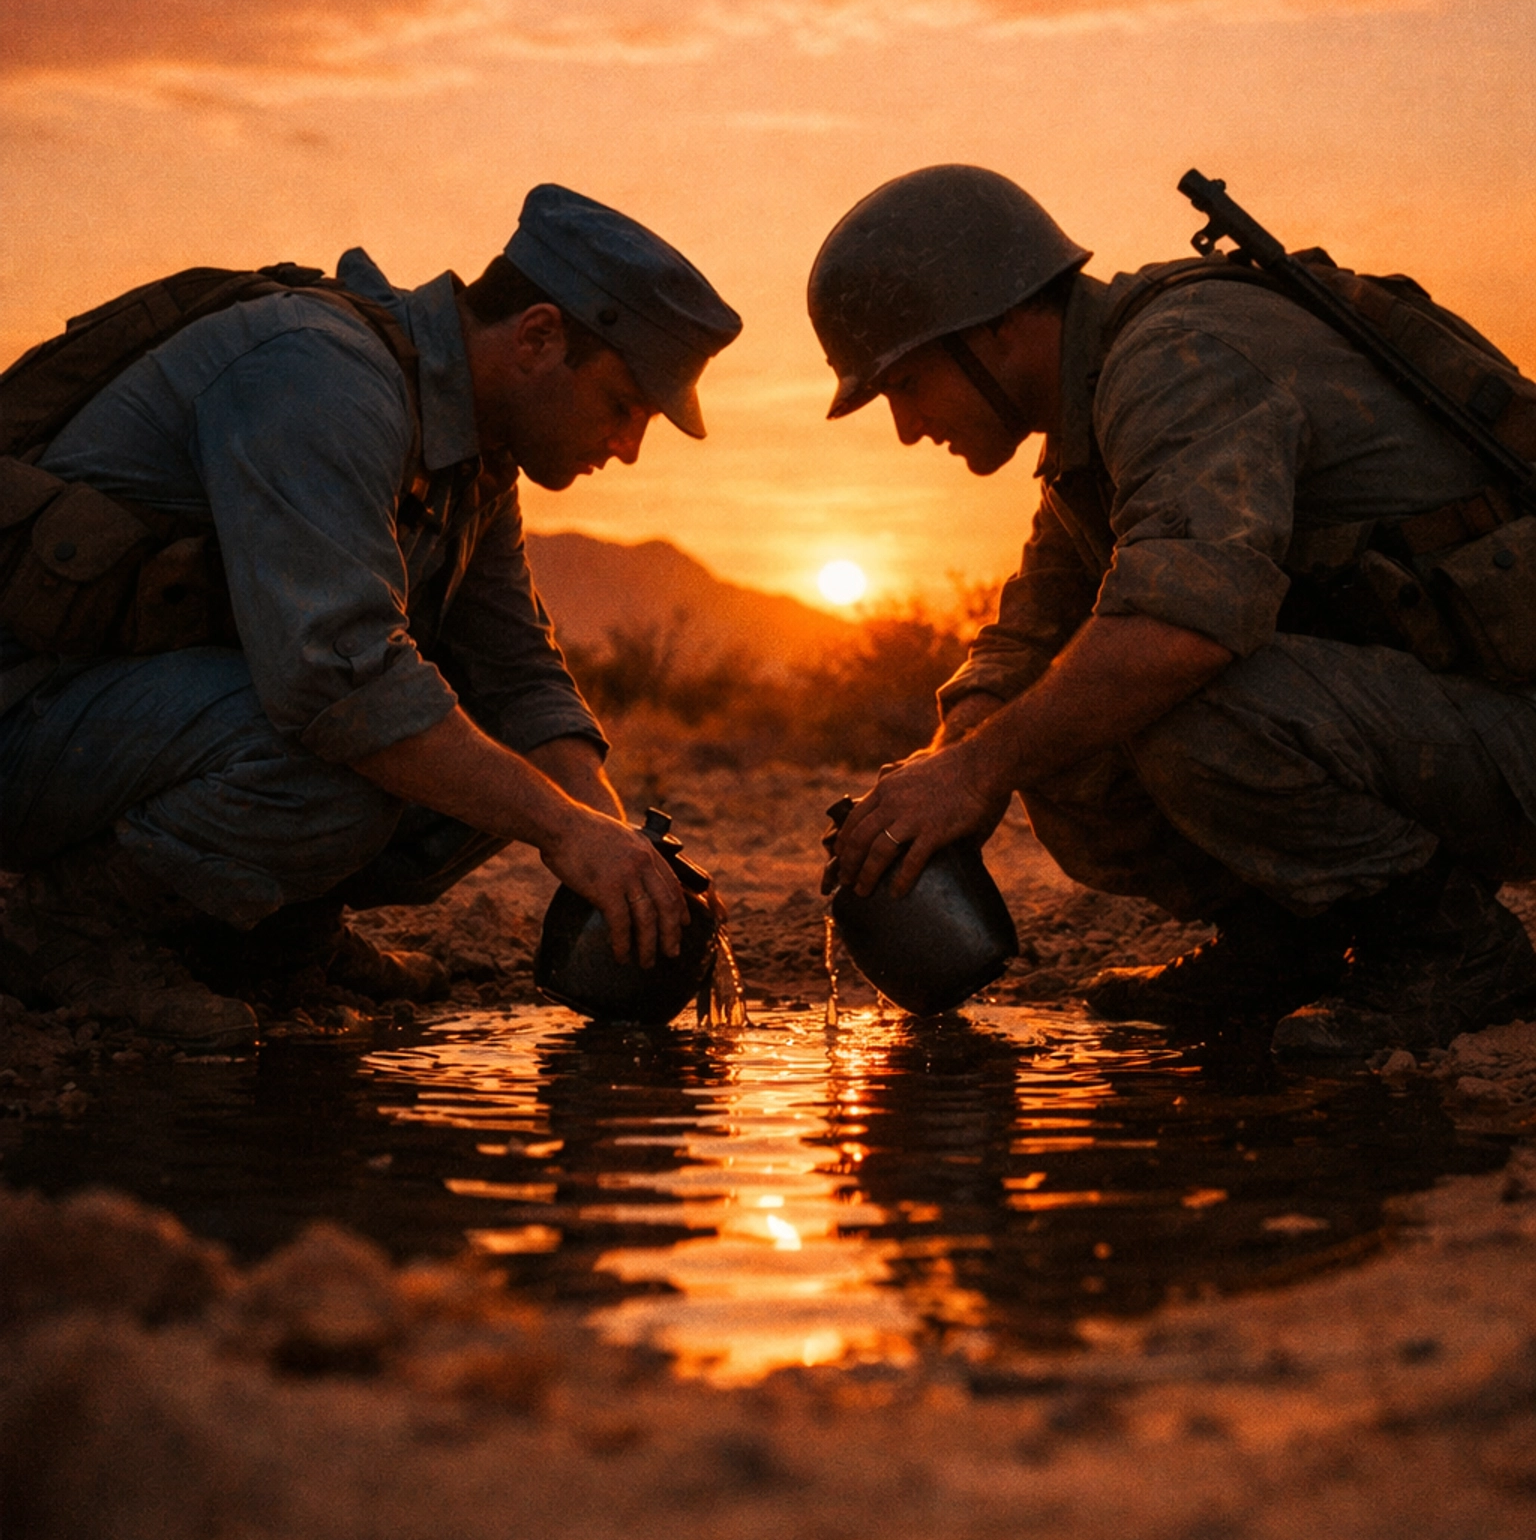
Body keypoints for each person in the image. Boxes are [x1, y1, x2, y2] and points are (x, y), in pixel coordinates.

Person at [810, 163, 1536, 1056]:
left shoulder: (1178, 361)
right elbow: (1029, 635)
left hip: (1513, 723)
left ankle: (1451, 947)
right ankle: (1291, 945)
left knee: (1178, 700)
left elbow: (1180, 634)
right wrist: (941, 767)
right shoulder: (1100, 412)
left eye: (908, 385)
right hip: (1445, 719)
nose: (908, 429)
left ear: (995, 327)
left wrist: (974, 773)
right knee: (1051, 728)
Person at [0, 186, 741, 1048]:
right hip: (28, 713)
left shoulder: (477, 461)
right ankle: (66, 932)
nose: (628, 447)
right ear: (539, 337)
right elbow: (336, 678)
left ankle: (277, 939)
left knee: (485, 744)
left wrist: (615, 848)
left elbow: (518, 674)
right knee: (353, 747)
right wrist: (561, 830)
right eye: (623, 404)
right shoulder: (320, 375)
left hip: (129, 728)